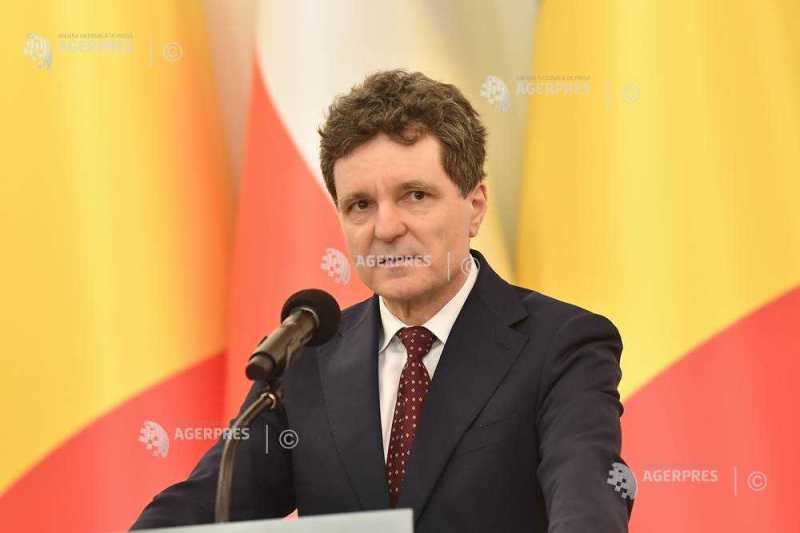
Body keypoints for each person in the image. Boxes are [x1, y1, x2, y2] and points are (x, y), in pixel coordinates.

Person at [132, 69, 634, 532]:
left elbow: (587, 501)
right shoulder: (305, 356)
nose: (386, 228)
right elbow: (205, 506)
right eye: (360, 205)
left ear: (475, 207)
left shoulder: (561, 345)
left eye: (415, 195)